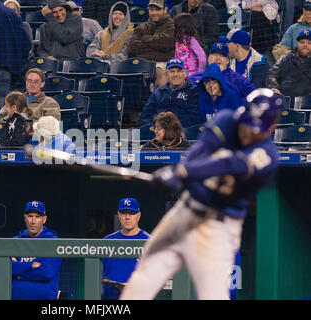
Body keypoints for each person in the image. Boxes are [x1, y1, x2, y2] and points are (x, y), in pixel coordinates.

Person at [120, 88, 283, 300]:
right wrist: (181, 173)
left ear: (272, 127)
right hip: (184, 212)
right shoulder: (226, 121)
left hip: (218, 228)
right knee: (142, 280)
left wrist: (182, 171)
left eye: (255, 128)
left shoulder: (268, 155)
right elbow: (198, 154)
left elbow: (229, 164)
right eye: (246, 123)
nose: (248, 131)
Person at [11, 201, 62, 300]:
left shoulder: (53, 242)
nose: (33, 221)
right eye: (30, 216)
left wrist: (19, 274)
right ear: (25, 218)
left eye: (37, 217)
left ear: (44, 219)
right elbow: (8, 269)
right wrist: (31, 265)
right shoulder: (15, 241)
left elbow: (47, 272)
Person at [102, 198, 151, 300]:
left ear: (139, 216)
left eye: (131, 213)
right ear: (119, 215)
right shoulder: (107, 241)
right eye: (124, 213)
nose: (127, 217)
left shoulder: (150, 242)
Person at [139, 58, 201, 128]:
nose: (175, 74)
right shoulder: (157, 93)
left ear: (184, 73)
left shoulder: (194, 91)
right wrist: (153, 128)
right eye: (172, 71)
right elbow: (144, 117)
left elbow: (195, 118)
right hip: (157, 132)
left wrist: (170, 127)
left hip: (182, 133)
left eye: (179, 71)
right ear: (167, 74)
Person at [128, 0, 176, 88]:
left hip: (163, 62)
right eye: (151, 10)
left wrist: (144, 40)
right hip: (143, 62)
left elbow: (166, 45)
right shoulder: (142, 27)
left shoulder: (171, 26)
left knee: (159, 71)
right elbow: (132, 47)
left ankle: (161, 100)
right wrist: (156, 45)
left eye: (157, 10)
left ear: (165, 9)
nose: (154, 13)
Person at [189, 42, 256, 100]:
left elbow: (253, 98)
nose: (217, 58)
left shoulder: (239, 81)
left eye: (222, 55)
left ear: (227, 61)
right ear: (208, 58)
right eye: (214, 54)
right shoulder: (195, 77)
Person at [266, 29, 311, 98]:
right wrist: (274, 88)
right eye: (302, 42)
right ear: (297, 44)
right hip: (285, 100)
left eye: (309, 43)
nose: (305, 45)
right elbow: (272, 75)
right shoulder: (286, 57)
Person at [173, 13, 206, 77]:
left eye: (175, 26)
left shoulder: (191, 40)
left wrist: (200, 73)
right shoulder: (178, 42)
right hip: (181, 76)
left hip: (193, 76)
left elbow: (202, 58)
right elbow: (176, 58)